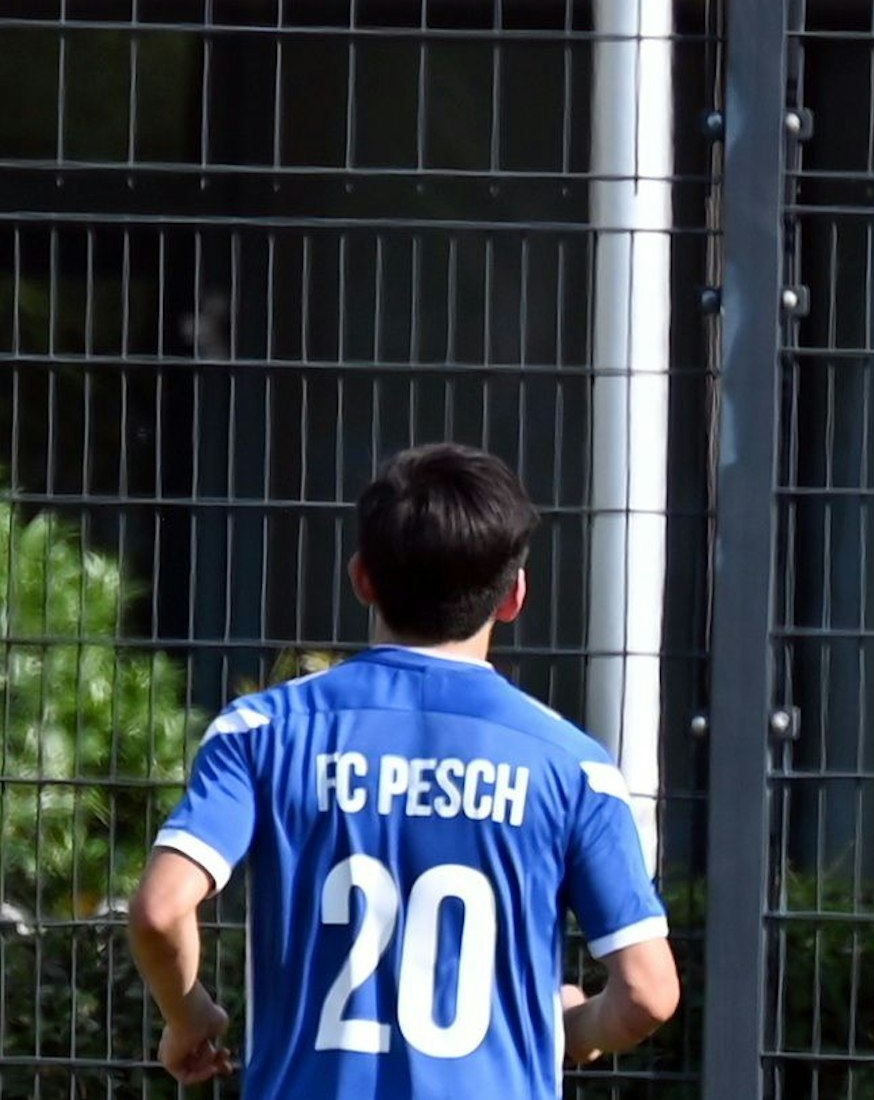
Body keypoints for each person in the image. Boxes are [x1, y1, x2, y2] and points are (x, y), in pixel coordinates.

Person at [127, 442, 680, 1097]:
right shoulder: (573, 767)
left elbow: (160, 912)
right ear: (514, 597)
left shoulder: (263, 732)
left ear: (362, 578)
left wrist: (189, 1017)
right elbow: (648, 992)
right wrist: (569, 1027)